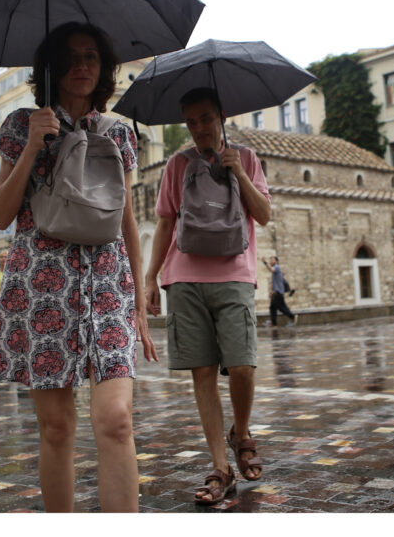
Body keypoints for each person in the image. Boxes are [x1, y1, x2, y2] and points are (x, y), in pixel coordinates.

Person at [0, 22, 157, 513]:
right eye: (72, 57)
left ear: (103, 69)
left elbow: (126, 219)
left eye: (92, 57)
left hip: (107, 284)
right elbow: (0, 215)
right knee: (57, 428)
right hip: (42, 284)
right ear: (53, 68)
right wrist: (36, 143)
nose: (82, 66)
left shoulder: (119, 132)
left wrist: (140, 301)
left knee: (117, 418)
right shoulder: (22, 125)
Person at [144, 86, 272, 505]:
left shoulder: (247, 158)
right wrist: (150, 277)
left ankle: (241, 430)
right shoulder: (177, 165)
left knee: (243, 367)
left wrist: (237, 172)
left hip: (235, 273)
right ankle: (221, 466)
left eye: (205, 118)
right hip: (184, 278)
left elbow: (264, 215)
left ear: (221, 117)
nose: (199, 128)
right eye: (192, 121)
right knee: (202, 373)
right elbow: (165, 223)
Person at [262, 256, 297, 326]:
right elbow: (273, 282)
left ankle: (292, 317)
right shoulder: (275, 272)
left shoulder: (277, 267)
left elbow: (271, 270)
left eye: (272, 260)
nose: (271, 261)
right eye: (270, 260)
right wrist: (270, 291)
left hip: (278, 292)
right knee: (273, 307)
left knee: (279, 307)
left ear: (276, 261)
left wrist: (265, 262)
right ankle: (274, 322)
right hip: (277, 292)